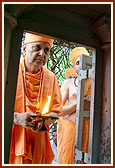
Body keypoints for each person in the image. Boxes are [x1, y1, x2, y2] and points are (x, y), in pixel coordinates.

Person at [9, 32, 62, 164]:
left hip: (38, 142)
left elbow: (56, 111)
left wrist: (45, 122)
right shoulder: (9, 71)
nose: (42, 54)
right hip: (11, 140)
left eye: (46, 50)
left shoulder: (51, 78)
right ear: (25, 48)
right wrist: (16, 118)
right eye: (37, 48)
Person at [57, 47, 92, 164]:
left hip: (89, 128)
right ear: (74, 66)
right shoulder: (68, 83)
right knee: (67, 159)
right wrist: (78, 104)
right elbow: (59, 110)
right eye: (78, 62)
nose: (82, 65)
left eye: (85, 61)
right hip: (70, 129)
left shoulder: (97, 82)